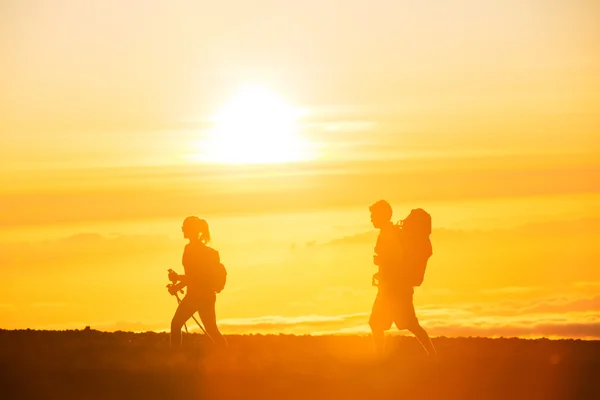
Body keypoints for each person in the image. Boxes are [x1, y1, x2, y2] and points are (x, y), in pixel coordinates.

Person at [368, 200, 436, 357]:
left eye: (373, 215)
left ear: (382, 215)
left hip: (394, 290)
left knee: (405, 324)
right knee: (404, 324)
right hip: (392, 288)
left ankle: (380, 361)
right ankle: (432, 356)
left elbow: (396, 259)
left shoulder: (389, 234)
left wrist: (381, 261)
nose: (371, 219)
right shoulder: (390, 232)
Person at [168, 216, 227, 350]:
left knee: (176, 324)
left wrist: (177, 278)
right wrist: (178, 284)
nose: (183, 231)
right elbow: (194, 277)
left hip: (195, 296)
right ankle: (226, 356)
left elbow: (194, 277)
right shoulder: (202, 250)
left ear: (190, 230)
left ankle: (175, 358)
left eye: (184, 228)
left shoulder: (191, 249)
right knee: (212, 329)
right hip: (207, 296)